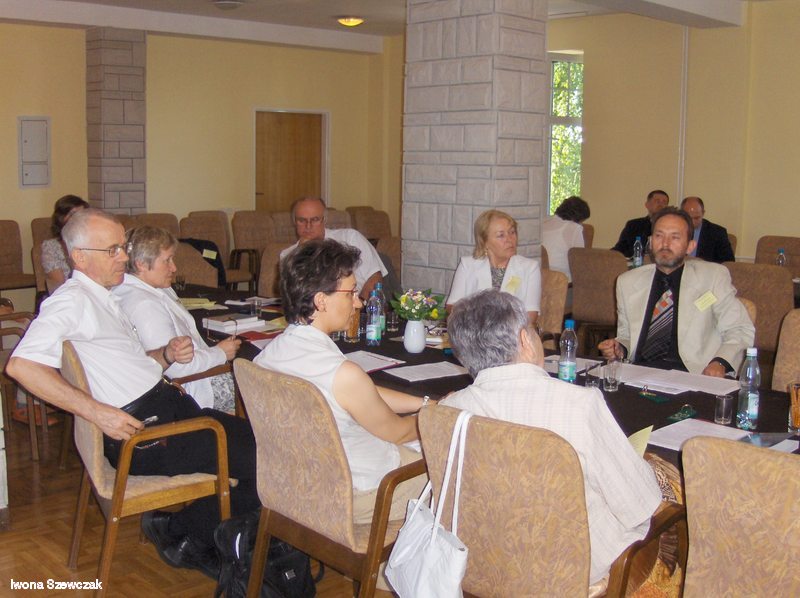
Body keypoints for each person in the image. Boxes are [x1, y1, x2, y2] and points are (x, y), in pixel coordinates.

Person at [6, 209, 258, 577]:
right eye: (112, 250)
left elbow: (124, 366)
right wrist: (97, 412)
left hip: (168, 412)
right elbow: (21, 366)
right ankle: (184, 535)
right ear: (79, 257)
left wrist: (164, 356)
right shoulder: (72, 300)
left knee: (268, 444)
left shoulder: (102, 296)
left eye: (122, 247)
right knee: (272, 464)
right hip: (149, 435)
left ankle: (189, 531)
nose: (124, 256)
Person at [439, 289, 663, 587]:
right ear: (524, 340)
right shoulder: (579, 405)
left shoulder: (449, 410)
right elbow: (640, 503)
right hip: (571, 567)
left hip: (483, 560)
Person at [255, 238, 427, 524]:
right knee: (459, 469)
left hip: (297, 485)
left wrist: (423, 403)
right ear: (321, 301)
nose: (359, 303)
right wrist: (438, 417)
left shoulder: (269, 357)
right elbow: (397, 432)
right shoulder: (343, 374)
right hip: (361, 493)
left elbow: (360, 393)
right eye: (351, 293)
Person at [599, 207, 754, 376]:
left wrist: (720, 363)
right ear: (650, 242)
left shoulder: (712, 278)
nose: (665, 244)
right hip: (640, 373)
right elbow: (626, 336)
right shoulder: (627, 282)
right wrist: (619, 348)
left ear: (690, 246)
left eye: (675, 237)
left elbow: (739, 330)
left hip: (693, 375)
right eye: (659, 236)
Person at [113, 225, 241, 412]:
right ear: (141, 264)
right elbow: (176, 367)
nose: (174, 268)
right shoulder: (144, 305)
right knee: (267, 385)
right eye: (167, 260)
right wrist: (220, 353)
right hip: (194, 390)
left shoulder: (154, 289)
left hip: (198, 375)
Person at [280, 197, 387, 300]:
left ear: (324, 220)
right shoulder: (287, 255)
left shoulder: (350, 238)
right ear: (294, 222)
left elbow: (374, 278)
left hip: (357, 304)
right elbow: (294, 295)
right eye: (302, 220)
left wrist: (360, 306)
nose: (308, 226)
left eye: (315, 219)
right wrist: (302, 253)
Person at [446, 209, 541, 325]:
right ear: (484, 242)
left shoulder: (529, 268)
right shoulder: (467, 265)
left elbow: (531, 316)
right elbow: (452, 307)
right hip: (474, 332)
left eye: (512, 232)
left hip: (514, 334)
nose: (510, 240)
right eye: (501, 235)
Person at [41, 194, 89, 293]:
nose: (78, 219)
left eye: (82, 215)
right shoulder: (51, 247)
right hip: (68, 294)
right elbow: (60, 284)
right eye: (73, 214)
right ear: (61, 218)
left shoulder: (93, 243)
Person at [541, 195, 591, 281]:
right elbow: (580, 261)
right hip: (562, 280)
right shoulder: (574, 228)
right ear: (578, 217)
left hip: (540, 276)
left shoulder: (543, 221)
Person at [611, 189, 669, 257]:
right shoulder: (633, 225)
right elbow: (621, 248)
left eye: (664, 202)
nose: (661, 205)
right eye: (657, 201)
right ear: (647, 205)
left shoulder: (671, 226)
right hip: (636, 262)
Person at [679, 196, 735, 263]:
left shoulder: (717, 233)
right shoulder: (673, 230)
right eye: (688, 217)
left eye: (696, 218)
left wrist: (703, 263)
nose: (692, 222)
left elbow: (729, 262)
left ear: (703, 213)